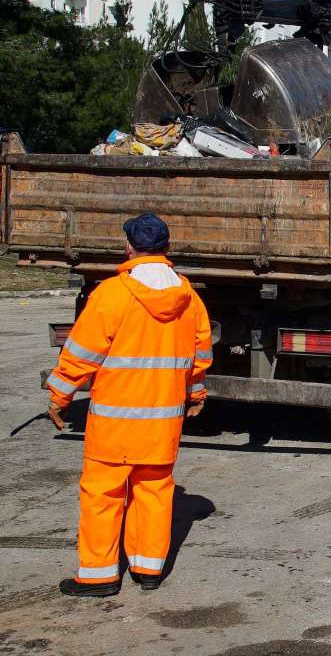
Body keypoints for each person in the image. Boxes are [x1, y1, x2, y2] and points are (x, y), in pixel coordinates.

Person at [46, 212, 212, 597]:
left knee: (103, 495)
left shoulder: (112, 294)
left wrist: (59, 396)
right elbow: (200, 356)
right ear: (167, 249)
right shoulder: (189, 297)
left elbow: (81, 354)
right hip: (162, 423)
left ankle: (99, 576)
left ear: (129, 248)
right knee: (154, 491)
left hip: (114, 423)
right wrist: (197, 394)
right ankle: (148, 570)